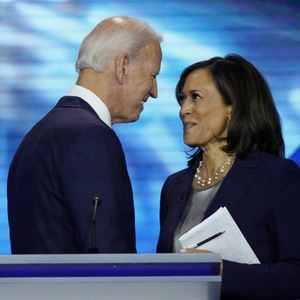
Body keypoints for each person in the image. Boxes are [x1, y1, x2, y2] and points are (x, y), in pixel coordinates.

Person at [8, 16, 162, 254]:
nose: (154, 92)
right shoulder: (90, 137)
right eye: (152, 75)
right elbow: (108, 259)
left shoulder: (39, 133)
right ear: (122, 67)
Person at [156, 54, 300, 299]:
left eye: (195, 97)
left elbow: (295, 275)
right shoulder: (174, 186)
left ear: (232, 107)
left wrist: (220, 272)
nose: (183, 110)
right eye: (182, 99)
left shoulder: (277, 177)